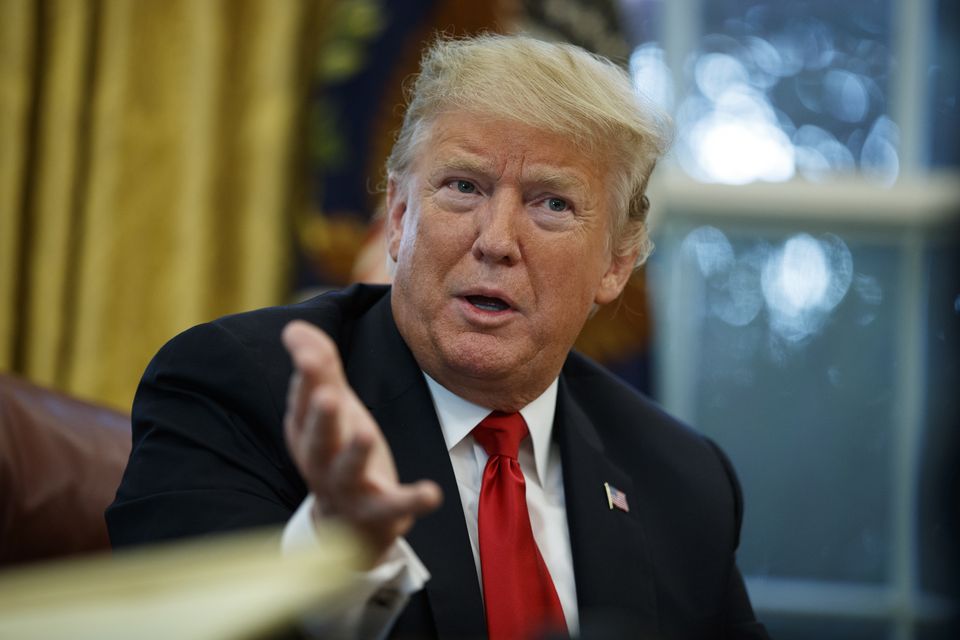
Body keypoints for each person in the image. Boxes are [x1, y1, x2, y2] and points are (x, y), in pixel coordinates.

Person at [107, 34, 769, 639]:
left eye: (552, 203)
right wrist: (336, 559)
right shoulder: (235, 391)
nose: (497, 240)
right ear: (398, 217)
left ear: (616, 264)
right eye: (462, 186)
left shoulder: (681, 480)